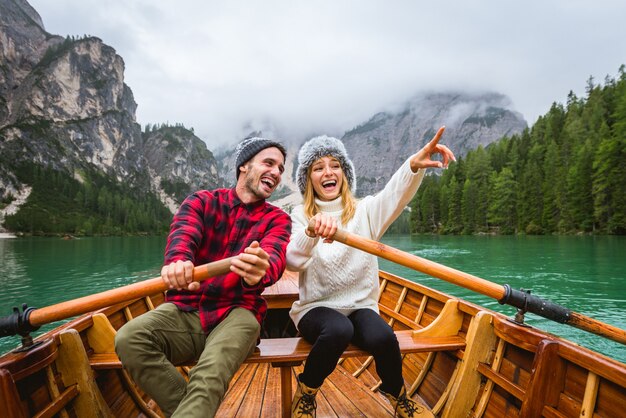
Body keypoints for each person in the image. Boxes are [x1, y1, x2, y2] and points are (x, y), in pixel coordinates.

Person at [115, 137, 292, 418]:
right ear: (244, 166)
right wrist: (178, 261)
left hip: (239, 313)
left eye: (281, 169)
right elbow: (182, 236)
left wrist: (259, 270)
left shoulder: (278, 219)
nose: (276, 172)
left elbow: (273, 258)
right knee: (129, 338)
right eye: (269, 163)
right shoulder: (201, 202)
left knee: (209, 372)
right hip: (186, 310)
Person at [286, 127, 455, 418]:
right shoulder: (300, 216)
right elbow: (292, 260)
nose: (328, 172)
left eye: (335, 165)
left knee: (385, 338)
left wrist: (413, 165)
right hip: (315, 308)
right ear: (308, 178)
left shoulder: (365, 211)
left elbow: (394, 195)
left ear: (344, 173)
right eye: (318, 167)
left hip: (360, 306)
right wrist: (312, 231)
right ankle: (306, 391)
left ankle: (397, 394)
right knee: (340, 329)